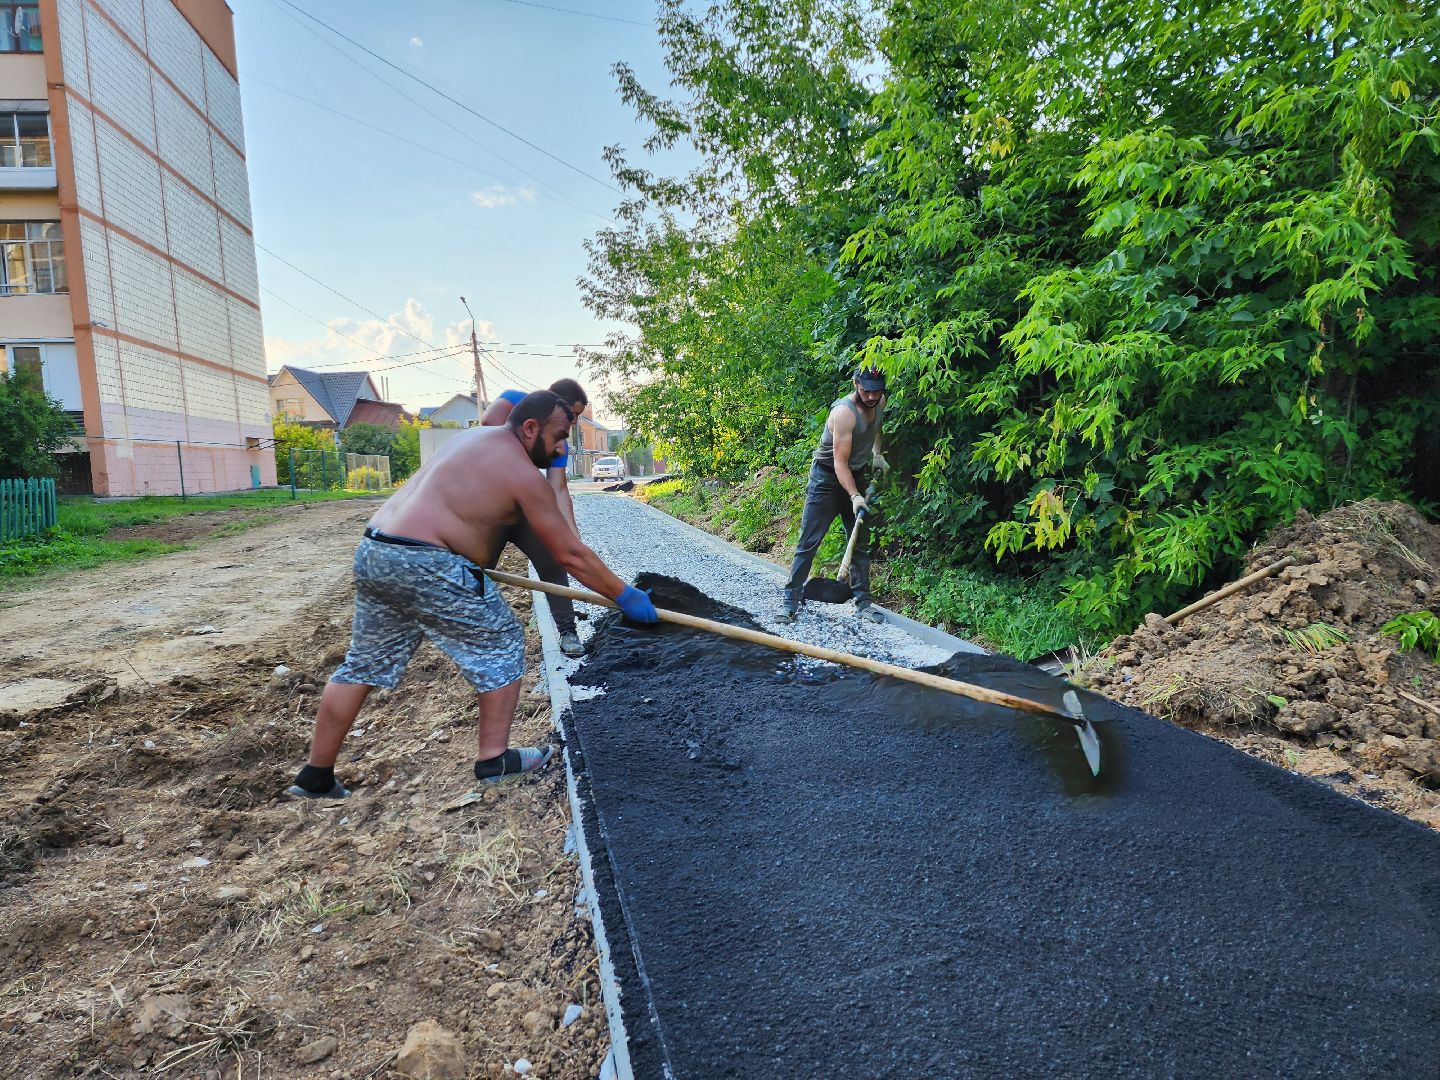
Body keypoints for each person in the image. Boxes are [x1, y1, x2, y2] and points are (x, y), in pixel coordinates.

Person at [287, 391, 658, 800]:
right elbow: (568, 552)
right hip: (429, 562)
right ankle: (494, 760)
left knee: (362, 664)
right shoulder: (520, 473)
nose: (560, 450)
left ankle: (315, 775)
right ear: (530, 428)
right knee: (501, 641)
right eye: (557, 437)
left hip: (377, 551)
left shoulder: (472, 438)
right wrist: (626, 595)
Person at [481, 378, 588, 658]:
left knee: (552, 560)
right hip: (489, 507)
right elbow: (487, 423)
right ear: (557, 401)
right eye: (574, 414)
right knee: (477, 570)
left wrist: (574, 543)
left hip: (523, 509)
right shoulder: (514, 398)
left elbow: (559, 490)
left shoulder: (558, 442)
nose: (574, 422)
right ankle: (477, 635)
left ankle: (567, 631)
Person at [778, 365, 890, 624]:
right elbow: (840, 463)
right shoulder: (843, 414)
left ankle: (863, 603)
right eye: (866, 391)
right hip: (827, 478)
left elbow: (877, 428)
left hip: (858, 473)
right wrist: (854, 497)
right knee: (809, 542)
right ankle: (790, 602)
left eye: (877, 391)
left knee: (860, 541)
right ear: (855, 384)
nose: (872, 397)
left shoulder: (879, 401)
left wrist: (877, 454)